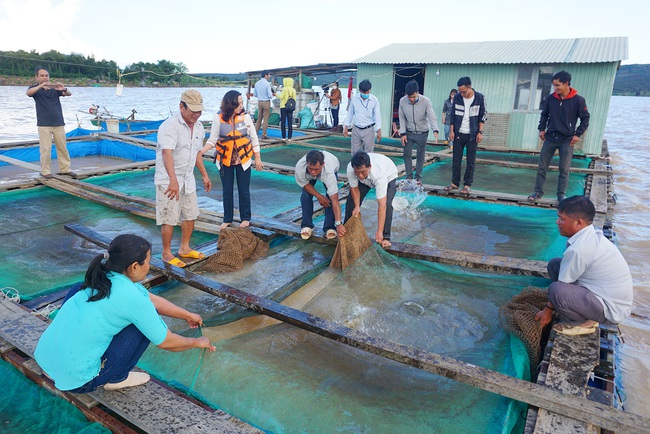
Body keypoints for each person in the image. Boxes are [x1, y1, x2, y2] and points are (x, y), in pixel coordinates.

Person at [34, 234, 215, 393]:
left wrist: (187, 315)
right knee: (142, 326)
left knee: (76, 292)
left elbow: (152, 299)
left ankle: (60, 361)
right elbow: (167, 342)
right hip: (78, 382)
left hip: (45, 361)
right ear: (134, 266)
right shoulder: (132, 298)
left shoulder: (102, 277)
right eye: (149, 261)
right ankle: (117, 379)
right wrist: (198, 342)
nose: (150, 266)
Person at [534, 196, 633, 335]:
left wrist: (548, 310)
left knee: (556, 290)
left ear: (578, 223)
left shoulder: (579, 249)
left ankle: (583, 323)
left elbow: (561, 285)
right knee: (555, 265)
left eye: (562, 219)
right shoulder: (590, 235)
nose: (557, 222)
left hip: (609, 311)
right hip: (604, 297)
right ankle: (583, 312)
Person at [155, 89, 212, 268]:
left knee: (190, 213)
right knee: (169, 215)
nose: (197, 114)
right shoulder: (169, 125)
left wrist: (204, 175)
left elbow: (197, 153)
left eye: (199, 111)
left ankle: (185, 248)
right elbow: (167, 153)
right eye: (193, 110)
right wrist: (173, 180)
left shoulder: (200, 127)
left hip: (188, 177)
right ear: (181, 107)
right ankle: (166, 253)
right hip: (168, 178)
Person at [203, 90, 264, 230]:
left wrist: (258, 158)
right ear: (230, 104)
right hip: (225, 160)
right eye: (239, 103)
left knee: (244, 190)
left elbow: (254, 138)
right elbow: (212, 140)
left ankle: (246, 218)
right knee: (227, 190)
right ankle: (227, 218)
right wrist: (201, 151)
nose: (242, 105)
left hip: (243, 159)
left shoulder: (246, 117)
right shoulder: (218, 118)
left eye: (242, 102)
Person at [528, 71, 590, 203]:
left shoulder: (578, 100)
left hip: (567, 140)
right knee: (542, 166)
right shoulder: (552, 98)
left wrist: (578, 134)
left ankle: (561, 195)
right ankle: (538, 192)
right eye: (554, 85)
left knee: (564, 169)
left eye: (557, 85)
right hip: (550, 138)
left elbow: (585, 118)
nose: (555, 88)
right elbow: (544, 115)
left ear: (566, 83)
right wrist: (541, 129)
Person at [26, 66, 75, 179]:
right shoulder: (35, 89)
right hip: (44, 125)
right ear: (37, 77)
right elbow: (28, 93)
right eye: (42, 76)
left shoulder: (55, 89)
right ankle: (45, 171)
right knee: (45, 149)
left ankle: (65, 169)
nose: (44, 78)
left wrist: (63, 88)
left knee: (62, 147)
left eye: (46, 75)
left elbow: (68, 94)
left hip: (58, 123)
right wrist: (40, 86)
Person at [344, 151, 398, 248]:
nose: (360, 175)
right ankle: (347, 230)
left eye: (362, 172)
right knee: (351, 200)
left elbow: (382, 205)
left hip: (389, 174)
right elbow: (354, 189)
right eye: (357, 172)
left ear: (369, 167)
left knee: (387, 204)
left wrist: (379, 231)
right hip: (366, 181)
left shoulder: (379, 174)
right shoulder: (351, 169)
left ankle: (386, 237)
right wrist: (357, 206)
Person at [446, 76, 487, 195]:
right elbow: (452, 115)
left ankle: (467, 184)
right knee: (456, 160)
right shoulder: (457, 97)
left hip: (472, 134)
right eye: (459, 91)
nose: (461, 94)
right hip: (459, 133)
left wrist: (480, 132)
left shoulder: (480, 98)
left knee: (470, 161)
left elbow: (483, 115)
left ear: (469, 87)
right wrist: (452, 131)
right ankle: (454, 183)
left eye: (463, 91)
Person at [295, 150, 344, 240]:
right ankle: (306, 225)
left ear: (322, 164)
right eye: (310, 168)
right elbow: (305, 184)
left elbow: (335, 200)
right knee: (306, 194)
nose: (313, 172)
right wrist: (319, 197)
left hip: (333, 165)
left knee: (330, 197)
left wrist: (339, 223)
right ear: (307, 164)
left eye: (316, 169)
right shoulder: (300, 167)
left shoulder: (328, 172)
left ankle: (329, 227)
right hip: (307, 176)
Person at [398, 80, 439, 184]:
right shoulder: (402, 101)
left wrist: (435, 129)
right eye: (409, 97)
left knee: (420, 155)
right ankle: (409, 177)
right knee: (407, 154)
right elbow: (401, 117)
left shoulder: (426, 101)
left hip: (422, 132)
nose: (411, 99)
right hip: (409, 132)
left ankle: (418, 178)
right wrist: (402, 133)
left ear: (418, 92)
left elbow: (431, 116)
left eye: (413, 97)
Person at [343, 79, 382, 154]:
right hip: (356, 128)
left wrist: (379, 130)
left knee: (369, 152)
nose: (366, 94)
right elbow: (350, 113)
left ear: (370, 90)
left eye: (367, 92)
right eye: (364, 92)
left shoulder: (374, 100)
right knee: (354, 152)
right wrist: (346, 126)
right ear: (360, 90)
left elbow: (377, 115)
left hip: (369, 129)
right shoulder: (354, 98)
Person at [253, 70, 275, 139]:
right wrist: (273, 95)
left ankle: (255, 132)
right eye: (268, 75)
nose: (269, 77)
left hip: (259, 102)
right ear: (266, 75)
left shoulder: (257, 83)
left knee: (259, 118)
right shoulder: (267, 84)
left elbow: (255, 94)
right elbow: (270, 95)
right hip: (266, 102)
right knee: (265, 119)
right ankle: (264, 134)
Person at [276, 77, 297, 141]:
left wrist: (276, 94)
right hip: (290, 107)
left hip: (283, 107)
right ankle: (290, 137)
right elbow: (294, 99)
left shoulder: (284, 89)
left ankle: (284, 137)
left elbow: (281, 97)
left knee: (283, 122)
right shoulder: (293, 90)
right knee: (290, 122)